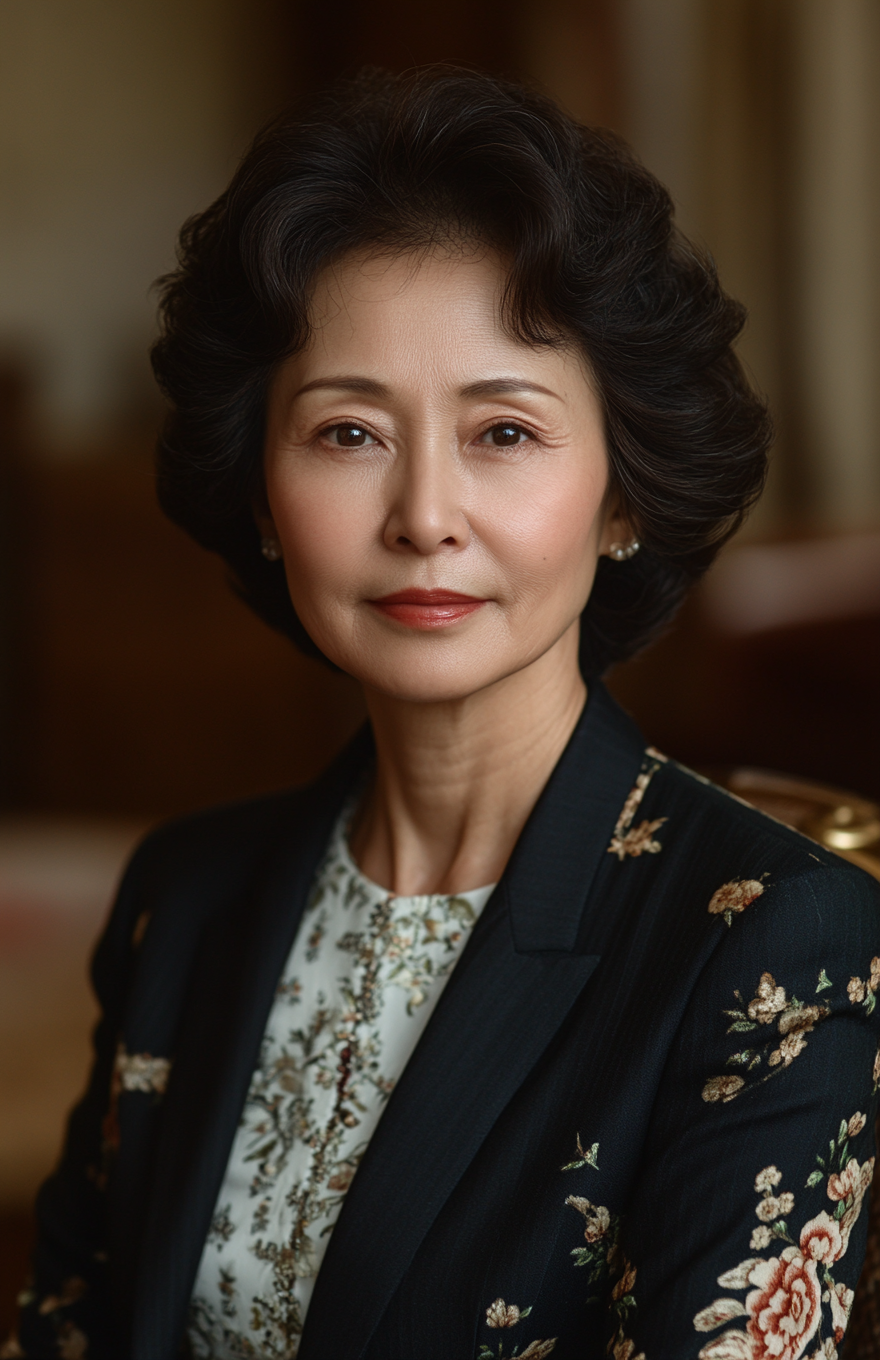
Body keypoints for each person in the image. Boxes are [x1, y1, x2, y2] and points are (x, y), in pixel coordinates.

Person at [8, 67, 880, 1360]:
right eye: (349, 434)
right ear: (260, 491)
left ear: (623, 495)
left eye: (505, 434)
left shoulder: (772, 948)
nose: (424, 515)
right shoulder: (181, 899)